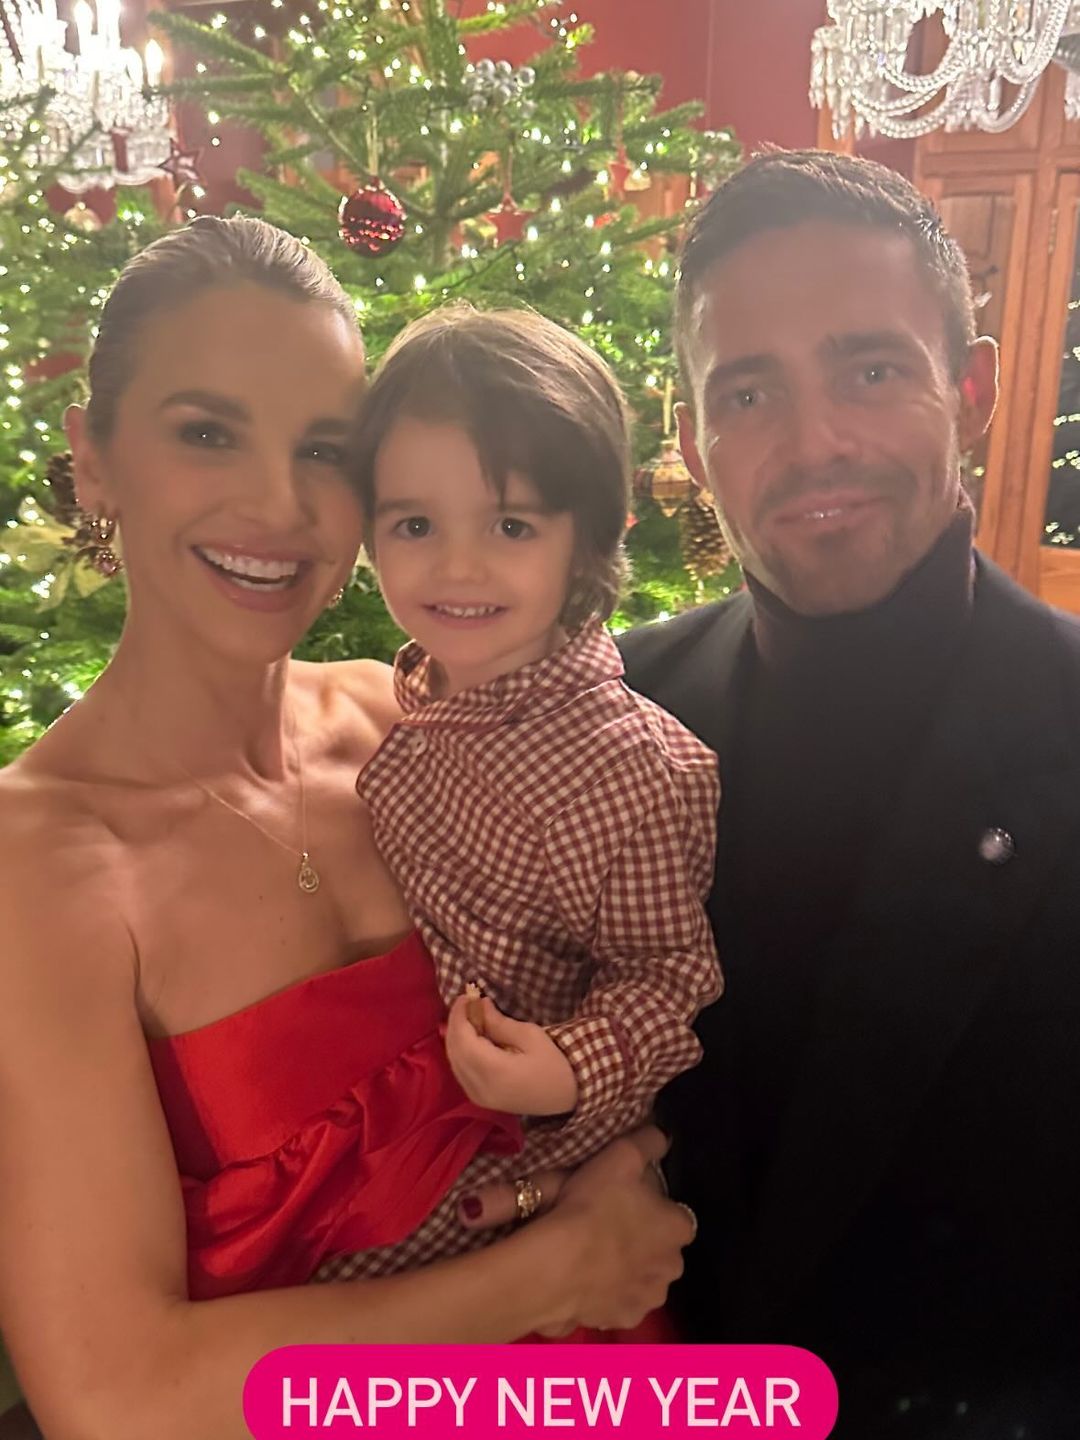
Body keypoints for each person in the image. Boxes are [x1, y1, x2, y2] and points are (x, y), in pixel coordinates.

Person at [0, 216, 691, 1440]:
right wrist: (553, 1272)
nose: (278, 505)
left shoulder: (411, 716)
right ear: (94, 461)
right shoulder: (38, 868)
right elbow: (114, 1397)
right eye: (206, 432)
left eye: (325, 449)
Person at [616, 148, 1080, 1437]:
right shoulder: (607, 711)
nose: (814, 442)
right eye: (749, 392)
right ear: (695, 440)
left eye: (871, 371)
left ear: (971, 388)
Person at [319, 305, 720, 1282]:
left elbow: (672, 979)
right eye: (414, 524)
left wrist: (568, 1067)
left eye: (510, 523)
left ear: (588, 535)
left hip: (516, 1157)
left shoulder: (635, 769)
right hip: (389, 1104)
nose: (457, 566)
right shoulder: (406, 694)